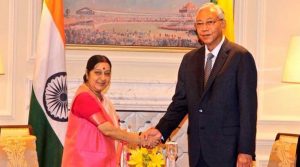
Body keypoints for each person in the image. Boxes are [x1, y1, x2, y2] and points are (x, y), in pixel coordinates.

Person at [144, 3, 257, 167]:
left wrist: (246, 150)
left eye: (210, 22)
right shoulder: (189, 60)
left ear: (223, 24)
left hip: (228, 152)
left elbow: (248, 109)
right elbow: (180, 103)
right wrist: (161, 130)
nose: (204, 28)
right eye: (199, 24)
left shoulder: (240, 57)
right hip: (198, 151)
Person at [62, 55, 148, 167]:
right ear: (87, 74)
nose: (103, 78)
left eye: (107, 73)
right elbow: (108, 130)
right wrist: (140, 139)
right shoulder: (84, 97)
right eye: (97, 72)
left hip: (101, 161)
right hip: (84, 162)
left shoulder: (102, 99)